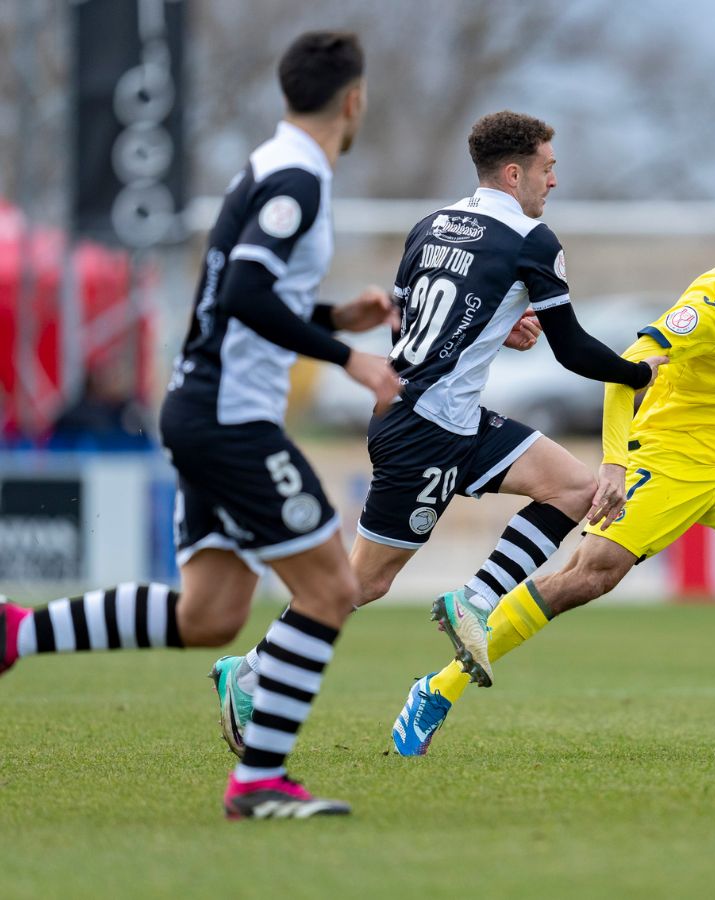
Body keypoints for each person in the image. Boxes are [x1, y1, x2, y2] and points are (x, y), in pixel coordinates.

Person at [0, 31, 399, 819]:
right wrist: (348, 356)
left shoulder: (264, 165)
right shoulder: (298, 179)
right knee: (332, 588)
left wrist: (329, 313)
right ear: (353, 100)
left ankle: (14, 632)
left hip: (200, 408)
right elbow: (248, 293)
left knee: (209, 615)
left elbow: (235, 298)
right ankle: (259, 782)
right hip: (230, 418)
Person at [392, 172, 715, 754]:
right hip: (664, 462)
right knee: (583, 580)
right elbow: (621, 372)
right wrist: (614, 465)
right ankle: (437, 689)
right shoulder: (714, 306)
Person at [210, 110, 667, 757]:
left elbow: (410, 322)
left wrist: (494, 328)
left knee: (573, 488)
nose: (553, 181)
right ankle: (254, 670)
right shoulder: (532, 240)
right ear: (514, 172)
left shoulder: (432, 226)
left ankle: (475, 598)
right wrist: (635, 372)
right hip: (425, 433)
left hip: (437, 415)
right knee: (360, 584)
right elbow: (571, 350)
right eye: (547, 167)